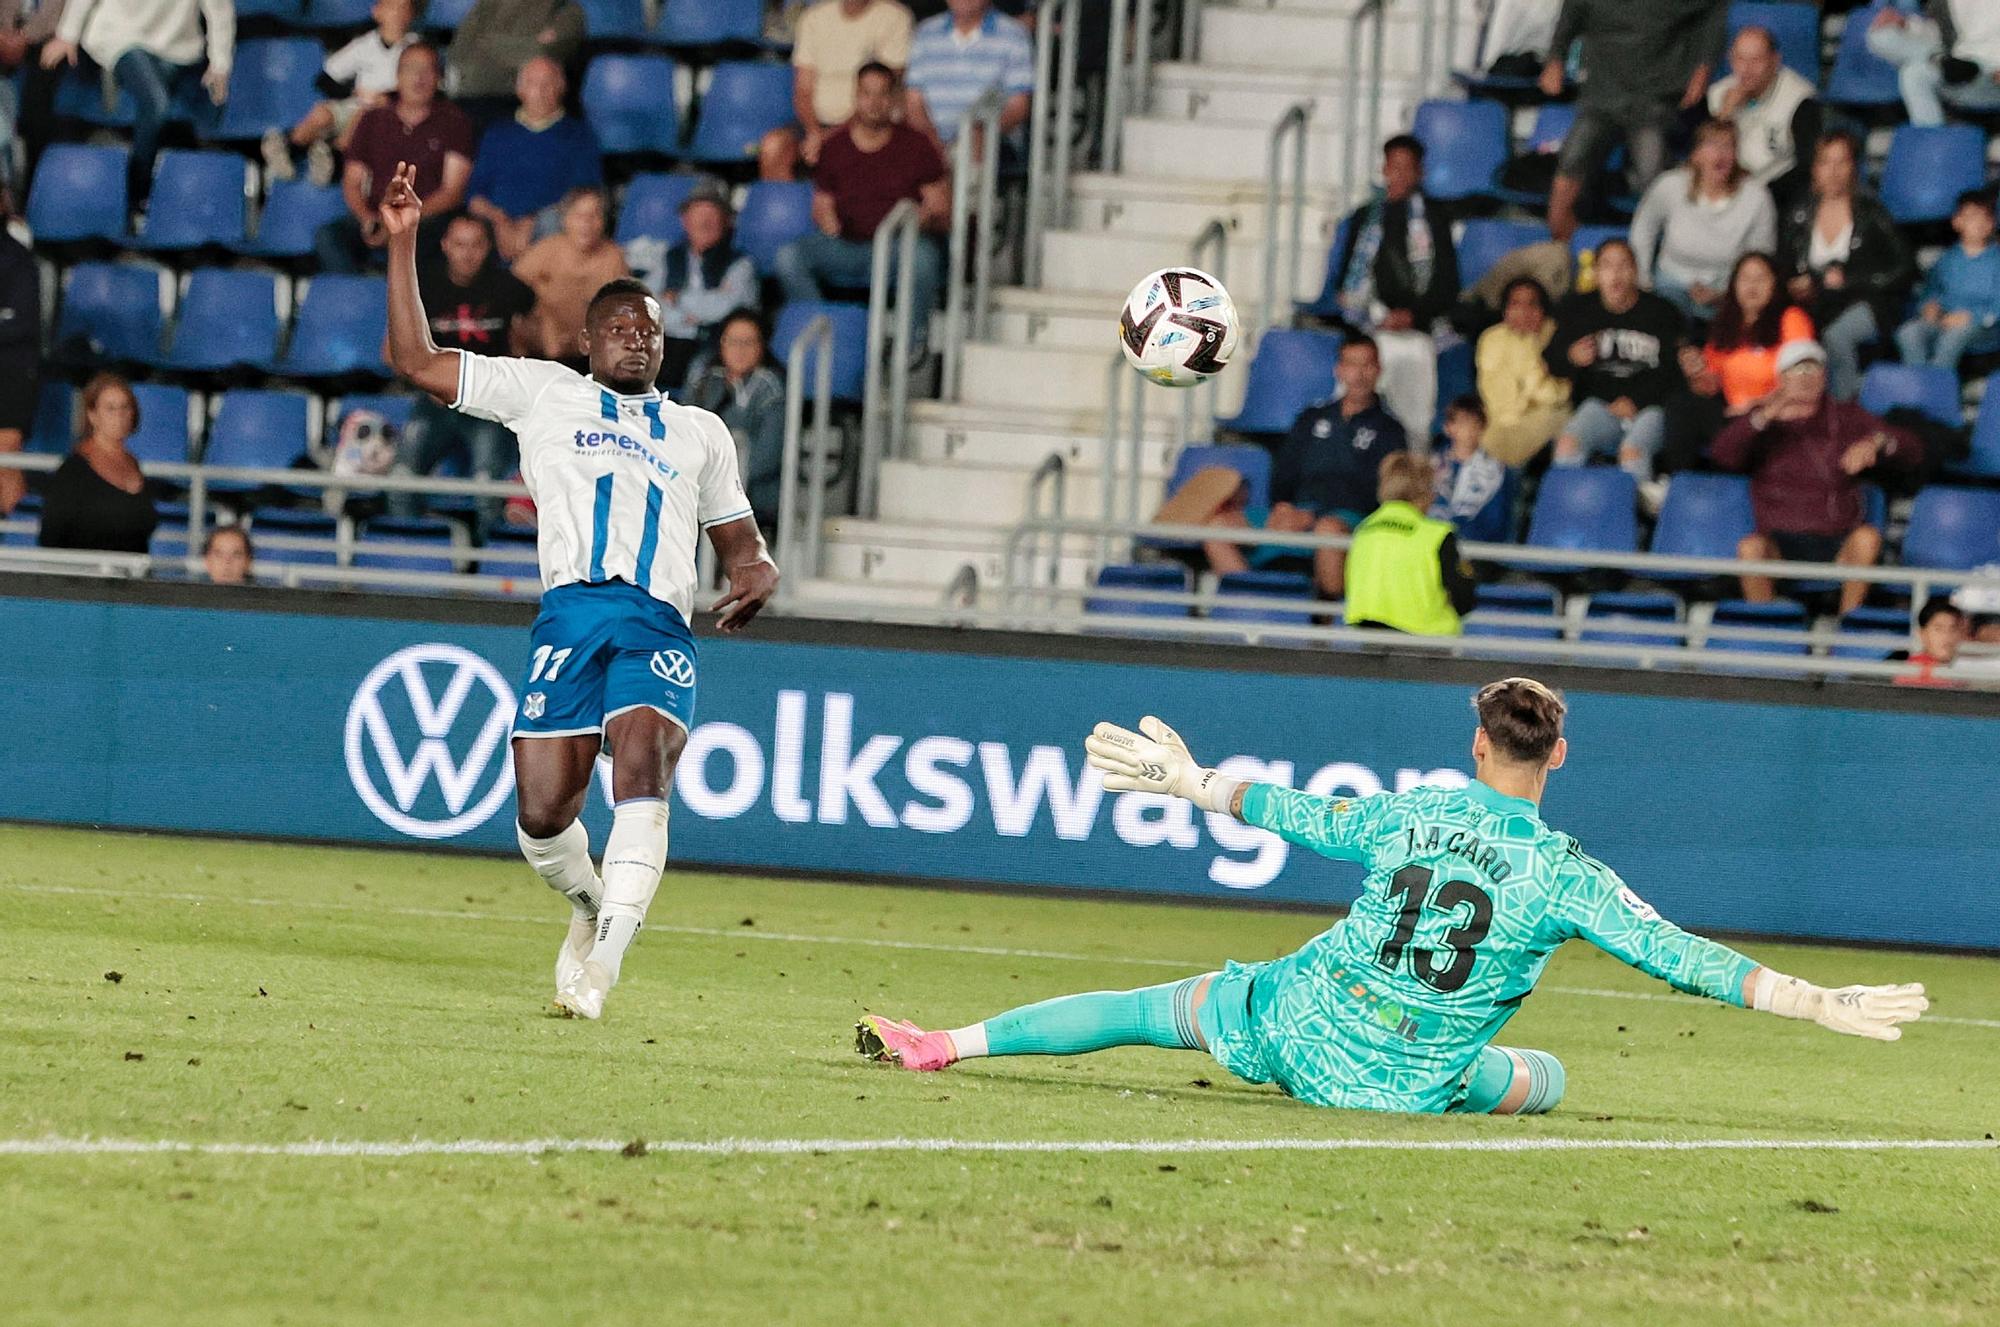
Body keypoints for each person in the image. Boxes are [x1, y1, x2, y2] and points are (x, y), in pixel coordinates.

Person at [857, 678, 1929, 1113]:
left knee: (1153, 1010)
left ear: (1474, 743)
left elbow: (1291, 811)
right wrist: (1813, 1000)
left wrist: (1189, 783)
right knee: (1543, 1079)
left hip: (1295, 1029)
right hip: (1406, 1085)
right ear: (1556, 753)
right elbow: (1680, 957)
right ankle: (1491, 1077)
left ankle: (945, 1041)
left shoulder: (1407, 812)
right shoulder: (1564, 875)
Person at [383, 159, 779, 1020]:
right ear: (591, 341)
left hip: (656, 622)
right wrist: (405, 240)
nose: (640, 339)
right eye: (624, 329)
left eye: (652, 330)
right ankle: (590, 906)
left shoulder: (701, 432)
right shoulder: (544, 391)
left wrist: (758, 576)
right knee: (540, 814)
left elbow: (743, 547)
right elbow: (414, 360)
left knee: (642, 769)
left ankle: (606, 963)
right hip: (569, 615)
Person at [1711, 340, 1922, 616]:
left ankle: (1848, 629)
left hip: (1836, 537)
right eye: (1797, 370)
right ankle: (1764, 628)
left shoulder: (1847, 416)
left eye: (1814, 369)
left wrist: (1877, 441)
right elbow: (1722, 455)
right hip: (1779, 540)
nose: (1806, 378)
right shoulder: (1762, 421)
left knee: (1868, 538)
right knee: (1750, 547)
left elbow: (1913, 450)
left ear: (1825, 375)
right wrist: (1763, 417)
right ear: (1781, 378)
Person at [1201, 336, 1408, 600]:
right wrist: (1283, 506)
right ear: (1339, 369)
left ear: (1378, 370)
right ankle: (1249, 603)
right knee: (1217, 528)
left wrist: (1314, 517)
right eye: (1352, 364)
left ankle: (1326, 624)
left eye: (1367, 365)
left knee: (1328, 532)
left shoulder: (1390, 430)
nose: (1359, 374)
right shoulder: (1312, 417)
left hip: (1349, 520)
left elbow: (1381, 493)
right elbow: (1285, 470)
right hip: (1298, 511)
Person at [775, 63, 948, 354]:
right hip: (846, 245)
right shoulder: (834, 147)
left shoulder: (916, 145)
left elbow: (942, 209)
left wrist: (926, 218)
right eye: (866, 94)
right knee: (788, 257)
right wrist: (826, 218)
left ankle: (910, 348)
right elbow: (822, 204)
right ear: (855, 96)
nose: (874, 102)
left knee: (924, 258)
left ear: (893, 98)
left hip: (896, 248)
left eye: (882, 94)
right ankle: (827, 337)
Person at [388, 212, 533, 532]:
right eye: (460, 244)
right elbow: (390, 351)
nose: (468, 253)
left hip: (488, 404)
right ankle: (407, 558)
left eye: (476, 245)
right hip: (435, 398)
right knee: (400, 479)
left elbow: (531, 346)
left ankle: (488, 566)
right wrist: (427, 382)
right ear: (445, 246)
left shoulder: (509, 288)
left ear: (488, 248)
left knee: (488, 488)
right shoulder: (421, 285)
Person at [1541, 0, 1730, 242]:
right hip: (1601, 95)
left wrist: (1704, 68)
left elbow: (1714, 8)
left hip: (1654, 97)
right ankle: (1561, 247)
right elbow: (1570, 15)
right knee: (1569, 163)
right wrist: (1555, 58)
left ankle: (1666, 249)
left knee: (1651, 176)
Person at [1324, 135, 1459, 439]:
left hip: (1418, 332)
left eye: (1407, 168)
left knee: (1412, 418)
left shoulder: (1435, 218)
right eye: (1392, 167)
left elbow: (1446, 285)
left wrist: (1413, 316)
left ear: (1419, 172)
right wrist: (1374, 317)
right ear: (1383, 169)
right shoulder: (1364, 218)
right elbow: (1346, 281)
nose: (1398, 175)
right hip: (1371, 329)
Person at [42, 0, 232, 209]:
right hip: (119, 35)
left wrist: (220, 64)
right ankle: (135, 193)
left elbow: (220, 8)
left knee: (196, 113)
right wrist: (68, 35)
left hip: (177, 46)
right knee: (156, 102)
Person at [1776, 131, 1913, 402]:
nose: (1833, 171)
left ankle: (1844, 411)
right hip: (1815, 302)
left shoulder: (1871, 211)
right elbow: (1783, 266)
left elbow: (1905, 268)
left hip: (1867, 301)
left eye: (1842, 162)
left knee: (1836, 337)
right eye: (1826, 162)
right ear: (1815, 168)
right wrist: (1795, 283)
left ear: (1854, 167)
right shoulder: (1799, 214)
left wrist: (1851, 280)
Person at [316, 41, 474, 275]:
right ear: (398, 76)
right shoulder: (372, 120)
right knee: (329, 237)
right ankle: (360, 301)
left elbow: (452, 192)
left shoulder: (454, 121)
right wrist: (367, 217)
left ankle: (402, 303)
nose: (418, 78)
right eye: (411, 69)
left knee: (426, 241)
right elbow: (352, 181)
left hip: (427, 216)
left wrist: (403, 220)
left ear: (438, 77)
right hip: (377, 212)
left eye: (427, 70)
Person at [1543, 239, 1684, 479]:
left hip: (1650, 407)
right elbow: (1551, 360)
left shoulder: (1662, 312)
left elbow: (1674, 373)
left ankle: (1637, 515)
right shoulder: (1578, 309)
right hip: (1600, 405)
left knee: (1631, 452)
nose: (1615, 274)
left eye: (1623, 266)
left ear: (1635, 272)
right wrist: (1571, 356)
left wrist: (1637, 400)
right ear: (1596, 273)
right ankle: (1572, 511)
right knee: (1567, 444)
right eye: (1607, 266)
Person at [1629, 119, 1777, 324]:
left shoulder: (1756, 196)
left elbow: (1761, 257)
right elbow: (1643, 229)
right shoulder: (1670, 185)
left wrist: (1725, 293)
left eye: (1728, 146)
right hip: (1671, 283)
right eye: (1712, 145)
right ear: (1696, 155)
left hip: (1731, 291)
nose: (1720, 153)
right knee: (1665, 320)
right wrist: (1643, 281)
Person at [262, 0, 418, 188]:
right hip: (359, 102)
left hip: (392, 112)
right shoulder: (364, 44)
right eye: (392, 7)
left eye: (403, 8)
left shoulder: (416, 48)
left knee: (364, 115)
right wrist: (353, 92)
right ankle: (290, 149)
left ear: (412, 15)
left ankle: (334, 158)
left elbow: (425, 87)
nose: (397, 14)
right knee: (322, 113)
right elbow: (325, 79)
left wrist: (388, 97)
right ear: (377, 12)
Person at [463, 56, 603, 263]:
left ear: (561, 87)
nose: (540, 90)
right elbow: (474, 195)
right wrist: (500, 220)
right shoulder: (497, 133)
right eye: (532, 83)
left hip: (551, 230)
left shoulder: (578, 135)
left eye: (548, 83)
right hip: (496, 229)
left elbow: (583, 197)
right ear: (520, 90)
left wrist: (533, 222)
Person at [761, 0, 913, 182]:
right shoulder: (814, 18)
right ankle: (785, 209)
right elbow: (803, 89)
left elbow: (883, 90)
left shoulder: (895, 17)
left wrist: (832, 137)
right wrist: (814, 132)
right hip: (816, 125)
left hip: (868, 124)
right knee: (774, 146)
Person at [635, 177, 757, 391]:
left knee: (700, 370)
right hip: (667, 338)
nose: (704, 222)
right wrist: (685, 317)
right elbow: (646, 300)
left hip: (710, 343)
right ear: (685, 220)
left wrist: (678, 298)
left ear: (725, 221)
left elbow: (725, 308)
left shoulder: (740, 264)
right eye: (698, 214)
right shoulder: (670, 258)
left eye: (712, 215)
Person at [1342, 451, 1478, 636]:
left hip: (1369, 641)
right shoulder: (1437, 535)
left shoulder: (1363, 530)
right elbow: (1464, 599)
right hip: (1426, 643)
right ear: (1426, 492)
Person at [684, 309, 785, 530]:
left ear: (762, 346)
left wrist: (717, 484)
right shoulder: (705, 380)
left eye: (748, 342)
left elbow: (766, 457)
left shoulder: (771, 389)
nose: (739, 350)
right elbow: (682, 434)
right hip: (700, 487)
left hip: (749, 492)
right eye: (732, 341)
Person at [37, 372, 157, 555]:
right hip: (84, 577)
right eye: (110, 408)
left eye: (125, 407)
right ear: (92, 415)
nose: (119, 415)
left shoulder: (133, 464)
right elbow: (51, 535)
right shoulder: (73, 470)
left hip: (131, 575)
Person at [1705, 24, 1820, 207]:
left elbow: (1808, 167)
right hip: (1723, 191)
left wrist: (1757, 193)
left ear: (1775, 61)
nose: (1746, 69)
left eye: (1756, 60)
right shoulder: (1718, 95)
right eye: (1740, 59)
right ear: (1730, 60)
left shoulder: (1800, 99)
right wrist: (1723, 115)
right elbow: (1701, 157)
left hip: (1778, 196)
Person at [513, 187, 629, 364]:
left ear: (604, 221)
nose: (586, 224)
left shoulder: (613, 257)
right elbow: (508, 289)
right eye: (579, 216)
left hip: (590, 355)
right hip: (539, 354)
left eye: (594, 216)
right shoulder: (545, 250)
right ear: (565, 220)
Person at [1894, 191, 2000, 375]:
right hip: (1945, 319)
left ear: (1991, 224)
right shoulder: (1946, 259)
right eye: (1971, 217)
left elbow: (1996, 306)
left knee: (1952, 338)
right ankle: (1919, 386)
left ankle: (1937, 393)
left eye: (1985, 218)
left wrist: (1972, 317)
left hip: (1984, 327)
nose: (1978, 223)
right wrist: (1929, 306)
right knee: (1909, 333)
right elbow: (1931, 290)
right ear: (1957, 222)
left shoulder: (1996, 260)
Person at [903, 0, 1033, 150]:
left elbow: (1018, 106)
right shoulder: (926, 32)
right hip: (931, 147)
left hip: (994, 147)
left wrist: (984, 134)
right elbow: (913, 103)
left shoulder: (1014, 34)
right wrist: (934, 144)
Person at [443, 0, 584, 134]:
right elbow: (459, 50)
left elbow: (542, 52)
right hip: (470, 96)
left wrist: (489, 43)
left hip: (520, 103)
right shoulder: (488, 4)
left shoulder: (566, 9)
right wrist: (524, 44)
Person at [1703, 251, 1814, 414]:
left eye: (1761, 279)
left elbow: (1802, 379)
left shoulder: (1792, 318)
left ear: (1775, 284)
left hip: (1777, 414)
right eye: (1745, 279)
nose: (1752, 285)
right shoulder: (1724, 324)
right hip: (1731, 415)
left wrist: (1754, 408)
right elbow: (1711, 380)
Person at [1475, 276, 1569, 467]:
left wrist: (1533, 342)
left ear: (1542, 309)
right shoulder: (1492, 338)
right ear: (1505, 310)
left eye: (1532, 304)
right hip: (1500, 413)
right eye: (1516, 304)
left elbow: (1557, 393)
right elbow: (1493, 388)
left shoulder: (1555, 333)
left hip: (1548, 412)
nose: (1524, 312)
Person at [1866, 0, 2000, 128]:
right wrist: (1906, 24)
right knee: (1881, 39)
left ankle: (1939, 60)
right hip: (1958, 64)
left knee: (1917, 72)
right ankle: (1933, 143)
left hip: (1990, 78)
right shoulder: (1943, 4)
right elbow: (1939, 34)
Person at [0, 0, 67, 199]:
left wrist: (26, 36)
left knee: (37, 108)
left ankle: (28, 191)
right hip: (4, 31)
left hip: (51, 37)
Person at [1430, 395, 1518, 545]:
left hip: (1476, 548)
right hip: (1431, 540)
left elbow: (1495, 522)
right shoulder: (1430, 466)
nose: (1470, 430)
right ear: (1449, 427)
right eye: (1463, 423)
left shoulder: (1496, 470)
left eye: (1476, 424)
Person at [0, 215, 38, 517]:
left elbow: (21, 322)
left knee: (6, 455)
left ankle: (14, 541)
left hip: (10, 372)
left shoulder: (17, 259)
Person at [1895, 597, 1967, 688]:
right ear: (1922, 634)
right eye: (1938, 629)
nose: (1946, 636)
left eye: (1953, 629)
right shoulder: (1912, 673)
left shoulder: (1963, 671)